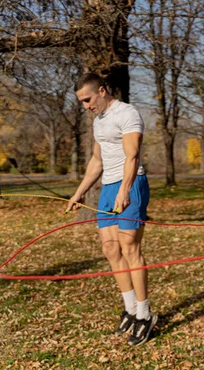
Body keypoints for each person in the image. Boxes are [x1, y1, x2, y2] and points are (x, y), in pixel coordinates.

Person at [67, 73, 156, 346]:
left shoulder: (127, 114)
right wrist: (79, 192)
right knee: (110, 250)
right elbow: (97, 159)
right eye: (81, 102)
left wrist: (125, 190)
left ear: (102, 91)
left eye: (88, 99)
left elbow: (133, 155)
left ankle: (145, 314)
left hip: (132, 185)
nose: (85, 106)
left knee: (130, 250)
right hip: (108, 188)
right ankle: (130, 309)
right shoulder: (99, 121)